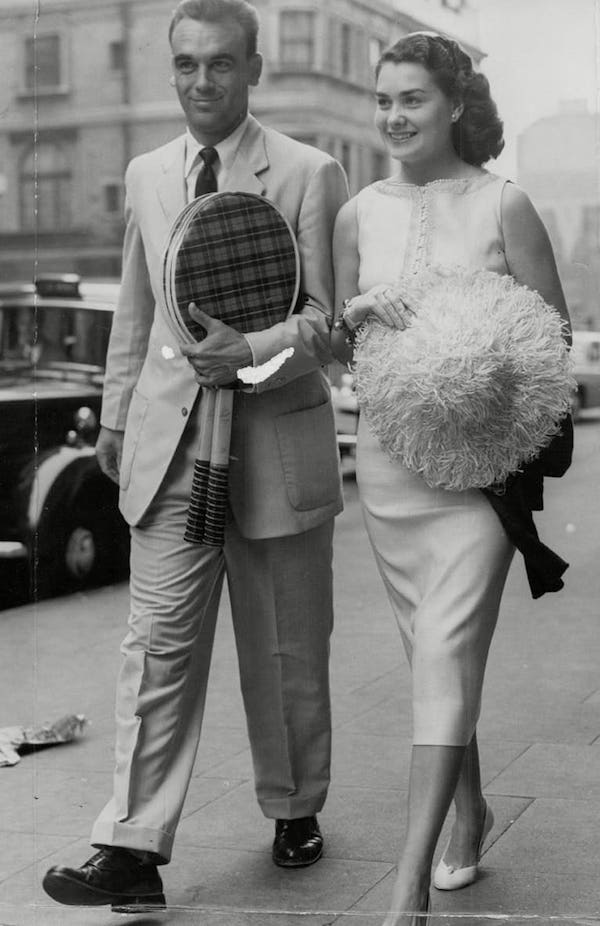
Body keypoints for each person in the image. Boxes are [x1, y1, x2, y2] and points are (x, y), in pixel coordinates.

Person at [42, 0, 348, 910]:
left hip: (275, 442)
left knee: (285, 648)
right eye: (185, 65)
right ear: (170, 68)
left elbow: (331, 327)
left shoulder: (309, 171)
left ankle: (296, 808)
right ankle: (132, 847)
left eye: (220, 64)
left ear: (253, 68)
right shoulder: (145, 172)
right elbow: (136, 304)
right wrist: (115, 413)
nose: (201, 83)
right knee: (158, 649)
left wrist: (251, 351)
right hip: (172, 453)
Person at [331, 33, 571, 926]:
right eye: (384, 100)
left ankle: (404, 891)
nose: (395, 117)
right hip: (392, 473)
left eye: (414, 101)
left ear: (455, 105)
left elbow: (553, 342)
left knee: (442, 653)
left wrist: (467, 349)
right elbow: (335, 345)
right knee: (439, 661)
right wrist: (360, 312)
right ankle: (470, 809)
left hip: (480, 481)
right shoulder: (357, 213)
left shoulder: (506, 203)